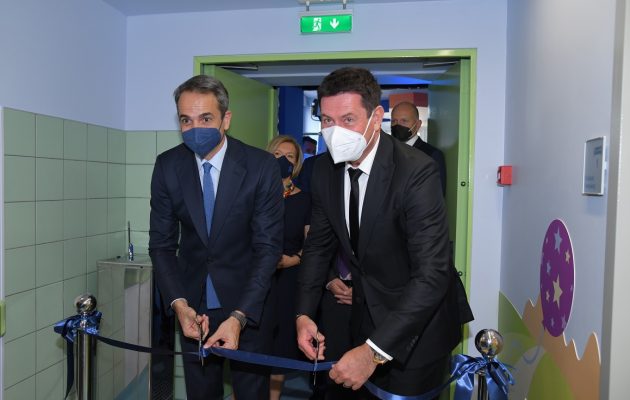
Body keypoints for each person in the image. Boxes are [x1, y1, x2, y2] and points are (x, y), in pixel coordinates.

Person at [295, 67, 473, 399]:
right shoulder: (322, 170)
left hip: (419, 327)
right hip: (364, 316)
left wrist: (374, 351)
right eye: (328, 120)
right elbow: (318, 246)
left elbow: (432, 273)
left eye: (348, 119)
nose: (335, 131)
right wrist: (304, 314)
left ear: (376, 118)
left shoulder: (416, 171)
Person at [149, 74, 284, 400]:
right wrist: (179, 304)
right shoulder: (168, 166)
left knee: (251, 394)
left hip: (249, 305)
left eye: (206, 118)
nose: (195, 128)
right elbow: (162, 245)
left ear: (226, 119)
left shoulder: (261, 166)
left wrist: (240, 316)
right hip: (193, 308)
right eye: (186, 120)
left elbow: (268, 248)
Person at [265, 135, 312, 400]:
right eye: (276, 155)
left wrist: (292, 260)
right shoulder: (254, 195)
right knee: (251, 346)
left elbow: (313, 246)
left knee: (280, 347)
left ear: (296, 165)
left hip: (289, 281)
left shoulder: (305, 200)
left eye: (289, 157)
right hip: (258, 280)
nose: (282, 160)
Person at [390, 101, 447, 196]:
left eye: (404, 121)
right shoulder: (386, 152)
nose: (398, 125)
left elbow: (436, 195)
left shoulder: (432, 155)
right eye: (394, 121)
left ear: (417, 125)